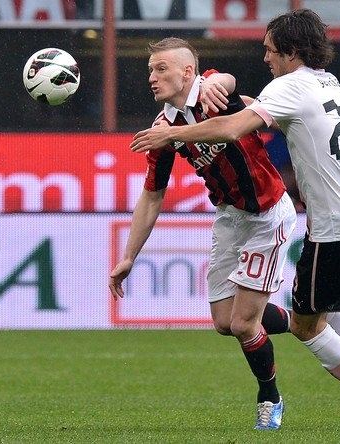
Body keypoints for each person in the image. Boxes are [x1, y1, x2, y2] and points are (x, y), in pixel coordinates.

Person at [130, 10, 340, 430]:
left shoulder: (287, 87)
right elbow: (251, 103)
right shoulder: (326, 80)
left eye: (270, 50)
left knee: (306, 325)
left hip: (330, 223)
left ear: (290, 50)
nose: (265, 58)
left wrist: (175, 131)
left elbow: (232, 125)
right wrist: (227, 92)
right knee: (315, 307)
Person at [109, 37, 297, 430]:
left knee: (244, 325)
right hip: (230, 217)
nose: (152, 77)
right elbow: (152, 196)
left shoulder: (211, 90)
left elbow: (225, 83)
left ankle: (270, 398)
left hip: (267, 213)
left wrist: (219, 81)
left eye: (161, 69)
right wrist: (128, 256)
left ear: (188, 72)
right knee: (225, 322)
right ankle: (302, 321)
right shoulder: (164, 129)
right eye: (150, 70)